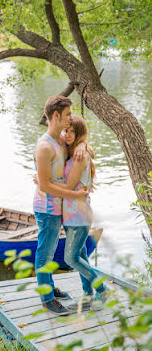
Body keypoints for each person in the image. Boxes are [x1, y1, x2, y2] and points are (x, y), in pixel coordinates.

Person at [33, 95, 88, 315]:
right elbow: (45, 186)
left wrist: (82, 143)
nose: (70, 119)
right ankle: (47, 298)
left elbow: (80, 139)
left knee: (69, 247)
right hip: (47, 208)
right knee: (45, 252)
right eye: (67, 115)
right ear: (56, 116)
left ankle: (52, 287)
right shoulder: (44, 147)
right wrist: (74, 196)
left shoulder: (60, 141)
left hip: (63, 207)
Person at [61, 116, 110, 306]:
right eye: (66, 130)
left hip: (79, 215)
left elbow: (69, 185)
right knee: (81, 257)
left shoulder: (80, 156)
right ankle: (88, 293)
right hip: (71, 215)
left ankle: (102, 290)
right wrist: (83, 145)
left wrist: (43, 182)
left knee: (70, 258)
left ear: (79, 134)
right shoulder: (74, 151)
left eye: (72, 131)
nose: (67, 134)